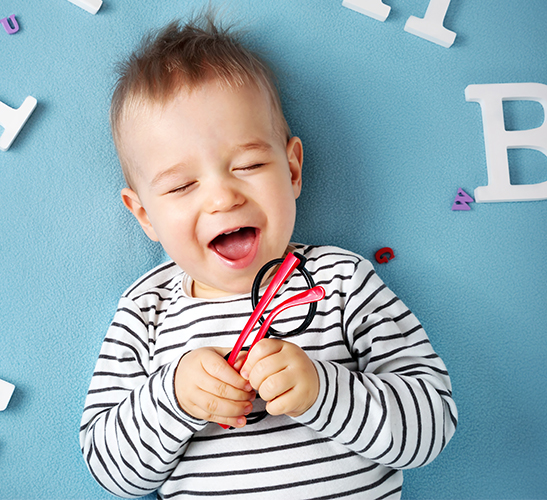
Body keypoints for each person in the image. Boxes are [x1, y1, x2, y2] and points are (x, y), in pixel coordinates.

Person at [80, 11, 457, 499]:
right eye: (182, 185)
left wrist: (324, 391)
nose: (222, 198)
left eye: (249, 164)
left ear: (293, 169)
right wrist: (172, 397)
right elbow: (112, 474)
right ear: (145, 215)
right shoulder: (145, 311)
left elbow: (432, 427)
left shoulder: (342, 283)